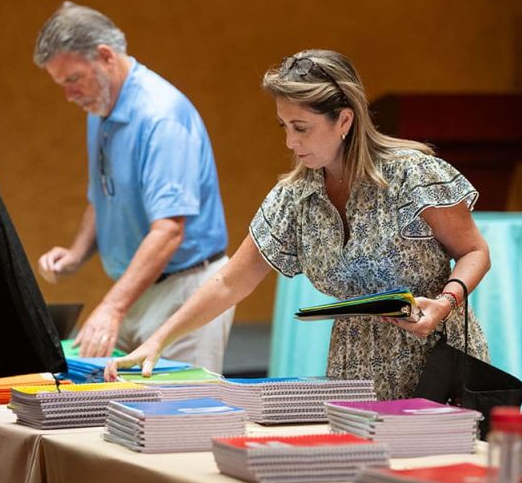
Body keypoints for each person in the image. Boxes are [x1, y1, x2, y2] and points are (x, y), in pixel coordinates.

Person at [106, 49, 492, 401]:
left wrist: (445, 303)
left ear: (344, 119)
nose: (290, 141)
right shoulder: (295, 195)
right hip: (353, 368)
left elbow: (475, 251)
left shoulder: (412, 172)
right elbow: (229, 281)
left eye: (301, 127)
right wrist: (157, 340)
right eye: (283, 127)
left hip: (438, 362)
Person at [33, 2, 233, 372]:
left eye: (73, 79)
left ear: (105, 56)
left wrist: (111, 307)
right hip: (136, 288)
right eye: (61, 84)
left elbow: (170, 230)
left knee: (176, 420)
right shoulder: (101, 106)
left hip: (184, 290)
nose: (69, 95)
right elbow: (103, 194)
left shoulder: (161, 117)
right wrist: (77, 253)